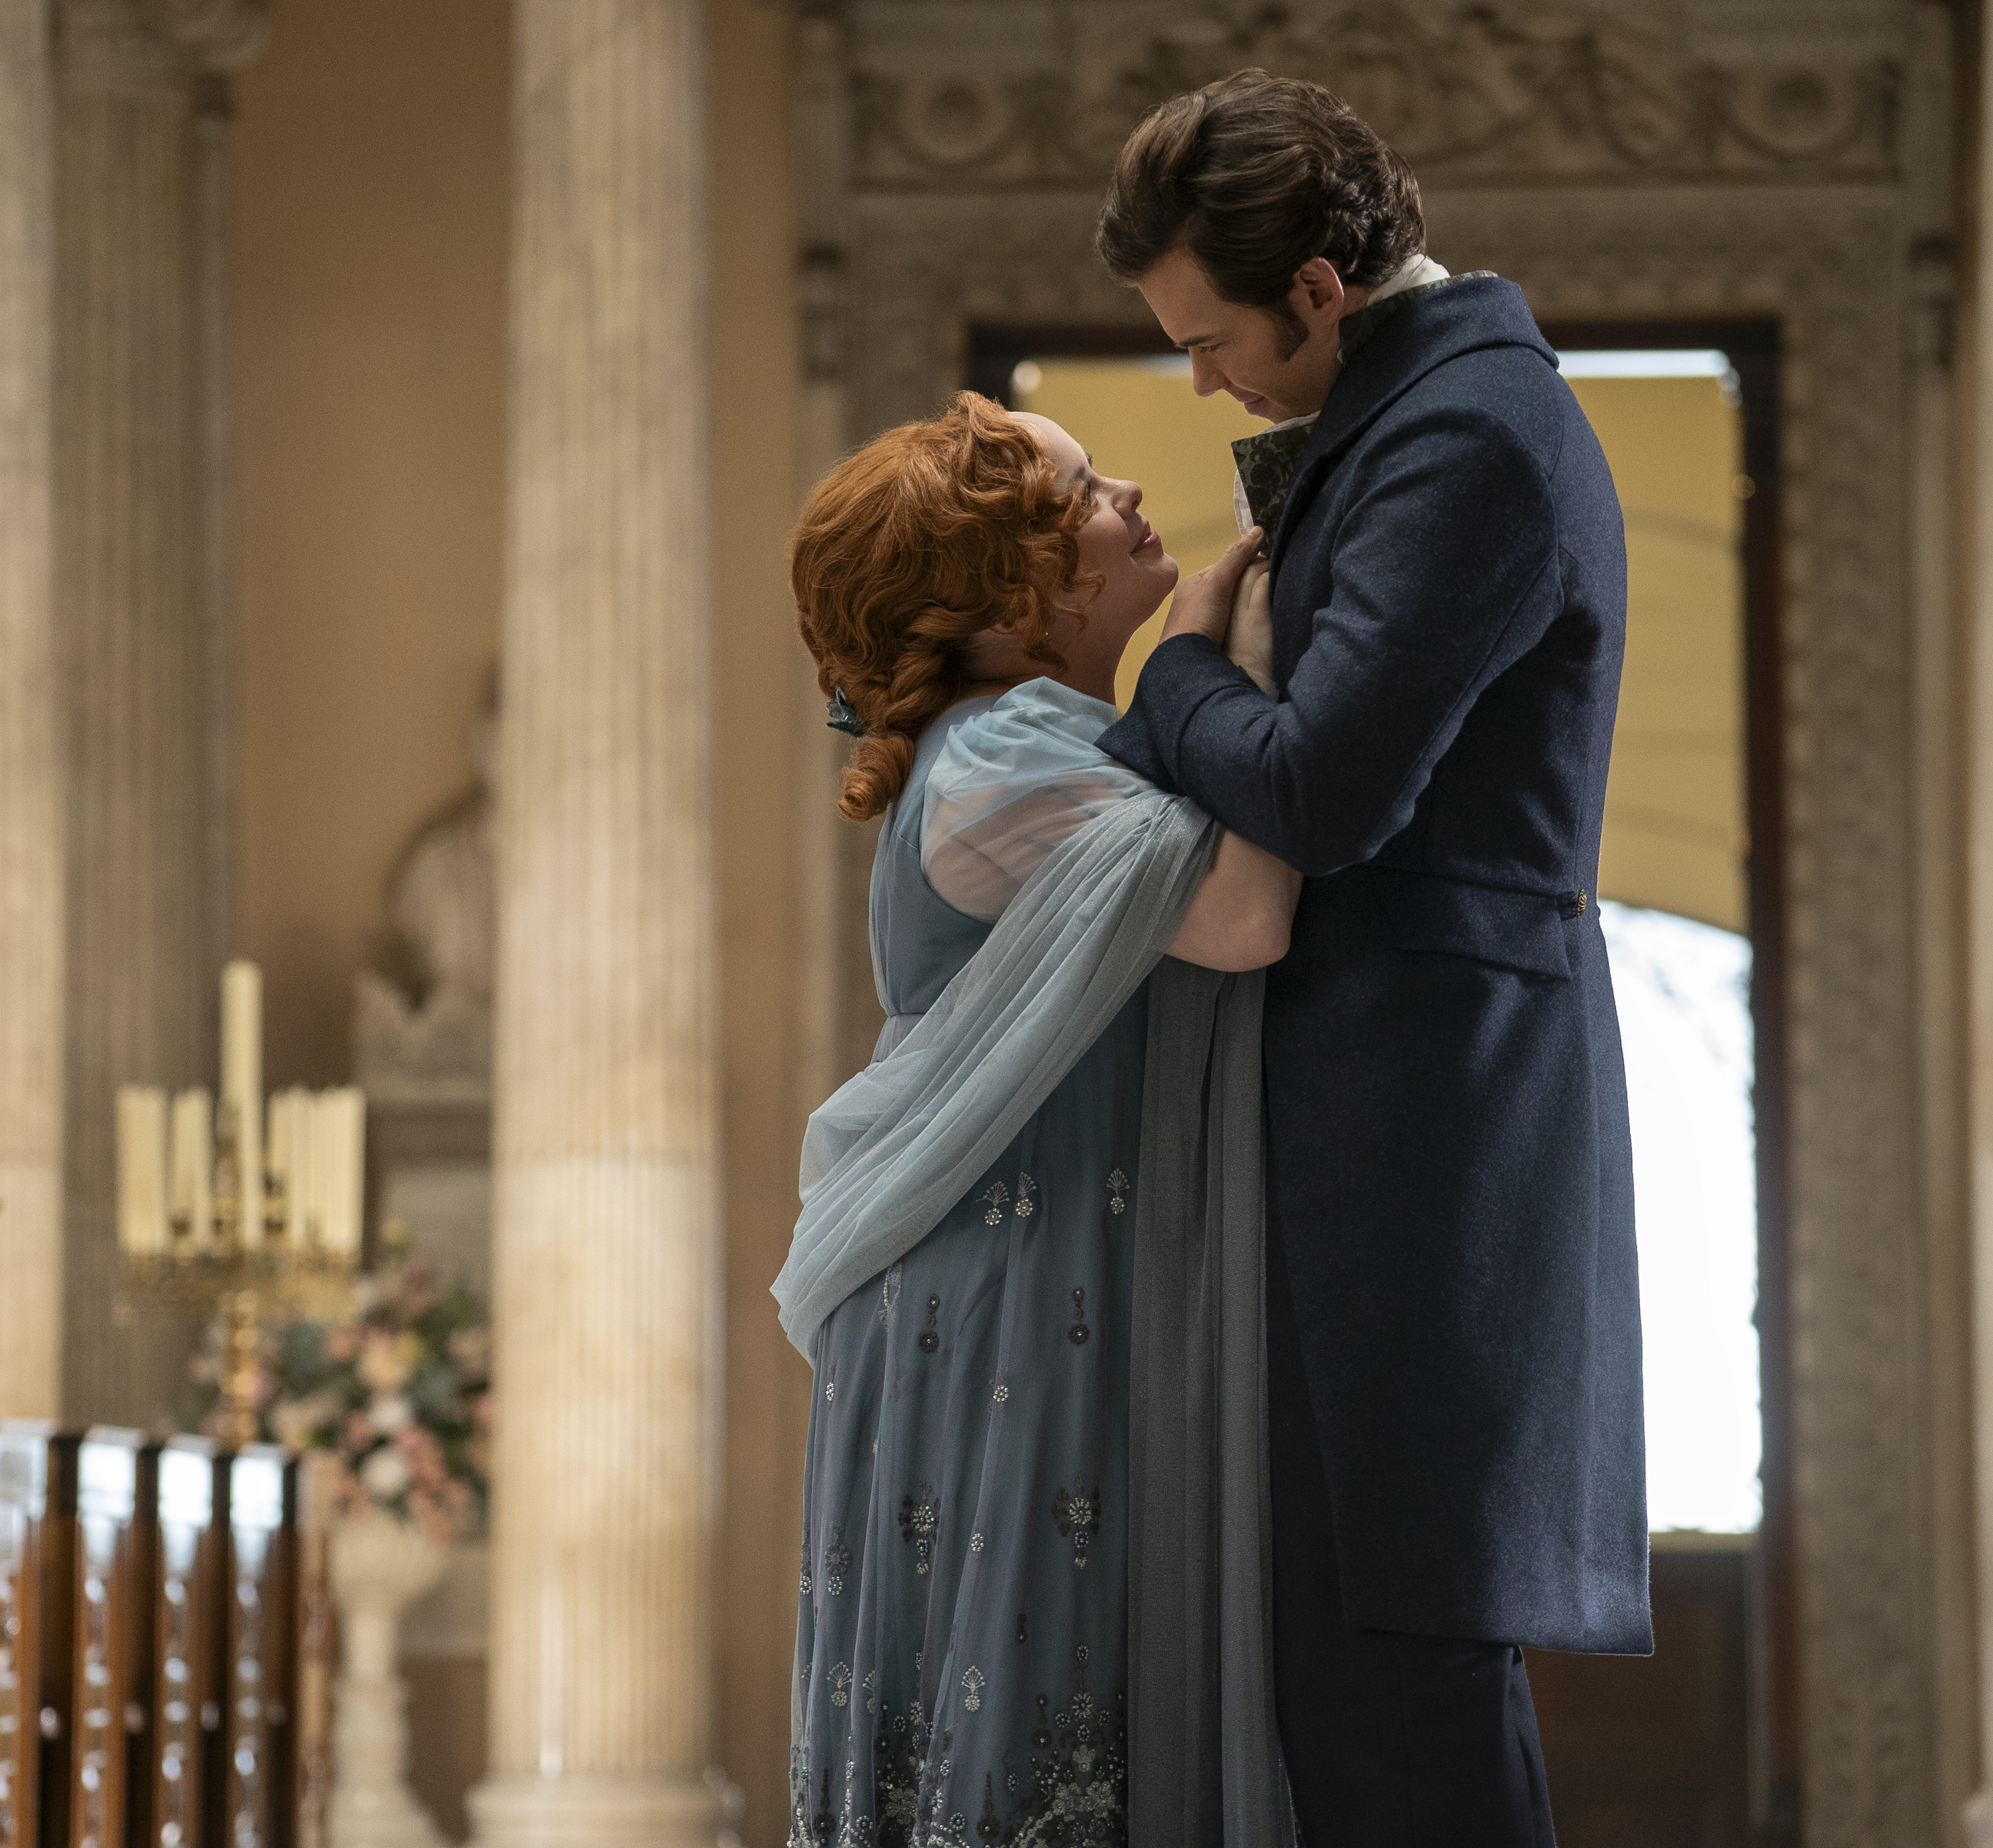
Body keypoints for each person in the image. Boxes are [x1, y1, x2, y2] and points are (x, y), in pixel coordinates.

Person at [1093, 71, 1649, 1846]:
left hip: (1430, 1127)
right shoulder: (1414, 418)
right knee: (1349, 1665)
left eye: (1211, 337)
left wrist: (1177, 662)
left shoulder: (1471, 435)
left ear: (1324, 288)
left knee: (1397, 1670)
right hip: (1379, 1107)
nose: (1202, 381)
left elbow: (1324, 791)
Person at [775, 391, 1296, 1847]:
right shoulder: (1002, 753)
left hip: (1022, 1270)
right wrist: (1216, 672)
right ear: (1005, 592)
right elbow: (1247, 916)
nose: (1127, 490)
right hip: (1008, 1294)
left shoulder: (1027, 737)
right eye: (1080, 493)